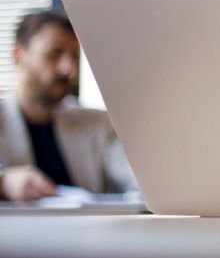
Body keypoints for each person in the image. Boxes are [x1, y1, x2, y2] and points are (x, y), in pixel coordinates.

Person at [0, 11, 137, 201]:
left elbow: (139, 181)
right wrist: (3, 182)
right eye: (54, 54)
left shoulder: (97, 123)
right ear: (18, 54)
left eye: (74, 58)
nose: (69, 69)